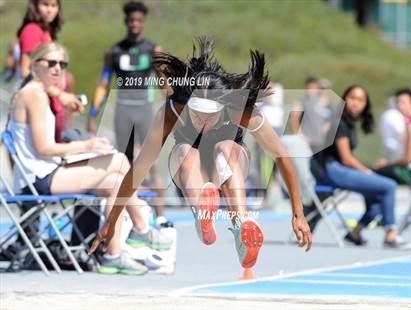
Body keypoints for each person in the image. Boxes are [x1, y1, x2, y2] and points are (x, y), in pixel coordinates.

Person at [89, 38, 312, 268]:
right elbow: (139, 169)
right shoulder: (173, 110)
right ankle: (202, 213)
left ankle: (241, 227)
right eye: (196, 114)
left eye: (209, 116)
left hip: (227, 168)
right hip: (189, 172)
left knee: (225, 148)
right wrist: (113, 220)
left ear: (223, 107)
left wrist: (298, 212)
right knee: (186, 150)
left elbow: (281, 156)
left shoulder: (239, 110)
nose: (201, 122)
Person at [8, 42, 171, 275]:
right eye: (51, 63)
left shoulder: (38, 91)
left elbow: (47, 142)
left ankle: (113, 254)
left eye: (62, 64)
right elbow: (43, 148)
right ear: (35, 64)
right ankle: (142, 229)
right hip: (37, 179)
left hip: (46, 171)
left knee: (116, 180)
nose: (57, 69)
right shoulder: (34, 95)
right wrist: (86, 145)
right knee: (121, 162)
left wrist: (82, 142)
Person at [86, 1, 170, 227]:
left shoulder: (154, 50)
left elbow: (164, 82)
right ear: (126, 21)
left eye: (139, 20)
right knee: (125, 162)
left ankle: (161, 216)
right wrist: (93, 114)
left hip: (145, 108)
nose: (134, 24)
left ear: (144, 22)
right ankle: (128, 214)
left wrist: (175, 107)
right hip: (123, 108)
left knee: (151, 162)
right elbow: (104, 84)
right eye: (131, 20)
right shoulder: (113, 52)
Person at [312, 85, 411, 249]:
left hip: (339, 169)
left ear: (365, 105)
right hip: (333, 171)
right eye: (352, 98)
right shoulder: (339, 122)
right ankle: (391, 235)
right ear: (344, 99)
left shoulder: (349, 123)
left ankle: (356, 232)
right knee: (389, 186)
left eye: (361, 100)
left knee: (377, 196)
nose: (355, 103)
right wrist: (367, 172)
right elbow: (346, 159)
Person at [17, 0, 80, 142]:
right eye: (45, 4)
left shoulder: (45, 31)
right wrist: (60, 94)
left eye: (54, 6)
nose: (49, 10)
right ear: (35, 6)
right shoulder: (32, 30)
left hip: (53, 102)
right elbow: (26, 71)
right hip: (43, 103)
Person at [375, 88, 411, 185]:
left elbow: (409, 158)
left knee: (375, 173)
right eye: (398, 102)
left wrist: (387, 163)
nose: (400, 106)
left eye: (403, 103)